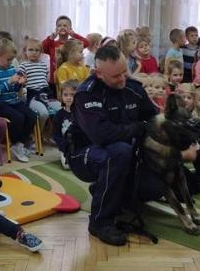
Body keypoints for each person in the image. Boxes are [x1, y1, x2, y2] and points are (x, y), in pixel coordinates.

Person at [66, 46, 161, 246]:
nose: (122, 79)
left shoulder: (133, 88)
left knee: (154, 187)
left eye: (124, 72)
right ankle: (100, 223)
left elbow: (153, 120)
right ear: (98, 73)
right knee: (119, 152)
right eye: (116, 76)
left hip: (124, 151)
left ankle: (106, 191)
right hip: (83, 154)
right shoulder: (87, 94)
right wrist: (138, 128)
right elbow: (102, 135)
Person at [0, 38, 37, 162]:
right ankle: (16, 143)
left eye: (12, 59)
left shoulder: (11, 69)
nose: (11, 62)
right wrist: (9, 82)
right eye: (8, 59)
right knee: (18, 118)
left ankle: (20, 143)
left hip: (14, 101)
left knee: (32, 116)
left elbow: (15, 89)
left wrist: (20, 84)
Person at [41, 15, 91, 82]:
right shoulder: (52, 43)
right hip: (55, 81)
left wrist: (74, 35)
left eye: (65, 26)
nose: (62, 27)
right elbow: (41, 48)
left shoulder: (73, 44)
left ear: (70, 28)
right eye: (59, 26)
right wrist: (50, 38)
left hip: (70, 81)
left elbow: (86, 43)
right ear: (56, 29)